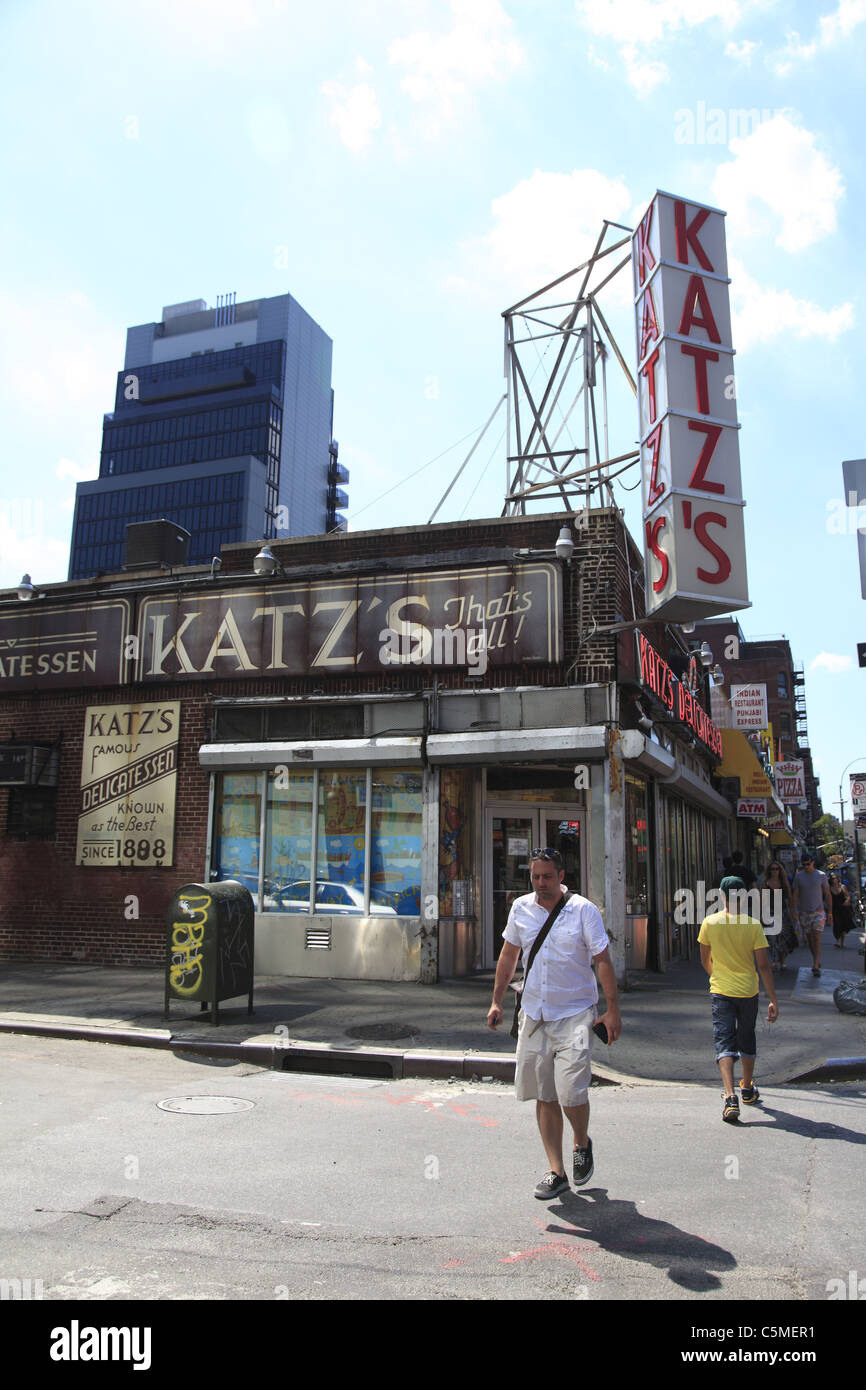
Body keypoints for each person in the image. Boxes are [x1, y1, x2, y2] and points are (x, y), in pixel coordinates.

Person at [486, 848, 622, 1200]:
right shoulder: (521, 908)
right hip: (534, 1014)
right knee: (543, 1093)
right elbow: (508, 955)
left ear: (562, 876)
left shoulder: (583, 911)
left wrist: (612, 1009)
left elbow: (602, 959)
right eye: (535, 877)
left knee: (572, 1091)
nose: (541, 883)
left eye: (547, 876)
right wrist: (497, 1001)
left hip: (575, 1014)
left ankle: (581, 1141)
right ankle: (556, 1171)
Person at [698, 875, 778, 1123]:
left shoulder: (710, 923)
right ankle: (747, 1086)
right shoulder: (753, 925)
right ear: (743, 898)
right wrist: (773, 999)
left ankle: (730, 1096)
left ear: (721, 897)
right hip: (748, 991)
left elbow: (704, 960)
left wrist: (719, 977)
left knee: (724, 1041)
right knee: (746, 1037)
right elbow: (763, 966)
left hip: (721, 990)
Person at [791, 851, 833, 976]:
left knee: (817, 936)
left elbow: (827, 894)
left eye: (808, 864)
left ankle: (816, 964)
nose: (806, 866)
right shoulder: (799, 877)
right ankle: (816, 959)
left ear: (813, 863)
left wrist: (830, 912)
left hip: (818, 911)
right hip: (804, 911)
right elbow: (795, 894)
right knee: (809, 939)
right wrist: (794, 910)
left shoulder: (821, 875)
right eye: (804, 864)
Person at [759, 859, 796, 971]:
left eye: (777, 869)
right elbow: (763, 899)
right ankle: (775, 960)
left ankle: (783, 961)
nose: (775, 871)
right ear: (769, 871)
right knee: (772, 938)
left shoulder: (784, 883)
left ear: (780, 870)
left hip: (783, 912)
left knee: (783, 938)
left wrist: (792, 911)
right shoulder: (766, 883)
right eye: (772, 869)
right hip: (770, 912)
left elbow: (789, 898)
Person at [827, 872, 854, 947]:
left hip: (843, 908)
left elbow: (848, 896)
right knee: (837, 924)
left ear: (838, 879)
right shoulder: (829, 888)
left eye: (835, 878)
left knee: (843, 925)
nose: (834, 880)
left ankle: (843, 942)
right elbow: (827, 898)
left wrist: (847, 901)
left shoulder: (842, 887)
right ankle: (838, 941)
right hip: (835, 909)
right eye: (832, 878)